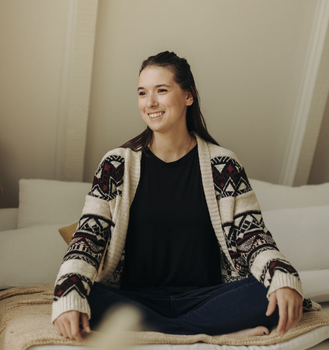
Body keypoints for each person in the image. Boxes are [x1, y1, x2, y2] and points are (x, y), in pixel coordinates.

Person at [52, 51, 305, 343]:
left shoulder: (224, 165)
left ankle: (162, 332)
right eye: (142, 93)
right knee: (80, 295)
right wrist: (69, 293)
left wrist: (281, 279)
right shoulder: (116, 165)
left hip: (208, 298)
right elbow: (88, 238)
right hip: (134, 300)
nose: (150, 103)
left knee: (271, 293)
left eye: (162, 90)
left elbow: (254, 237)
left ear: (188, 96)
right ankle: (210, 333)